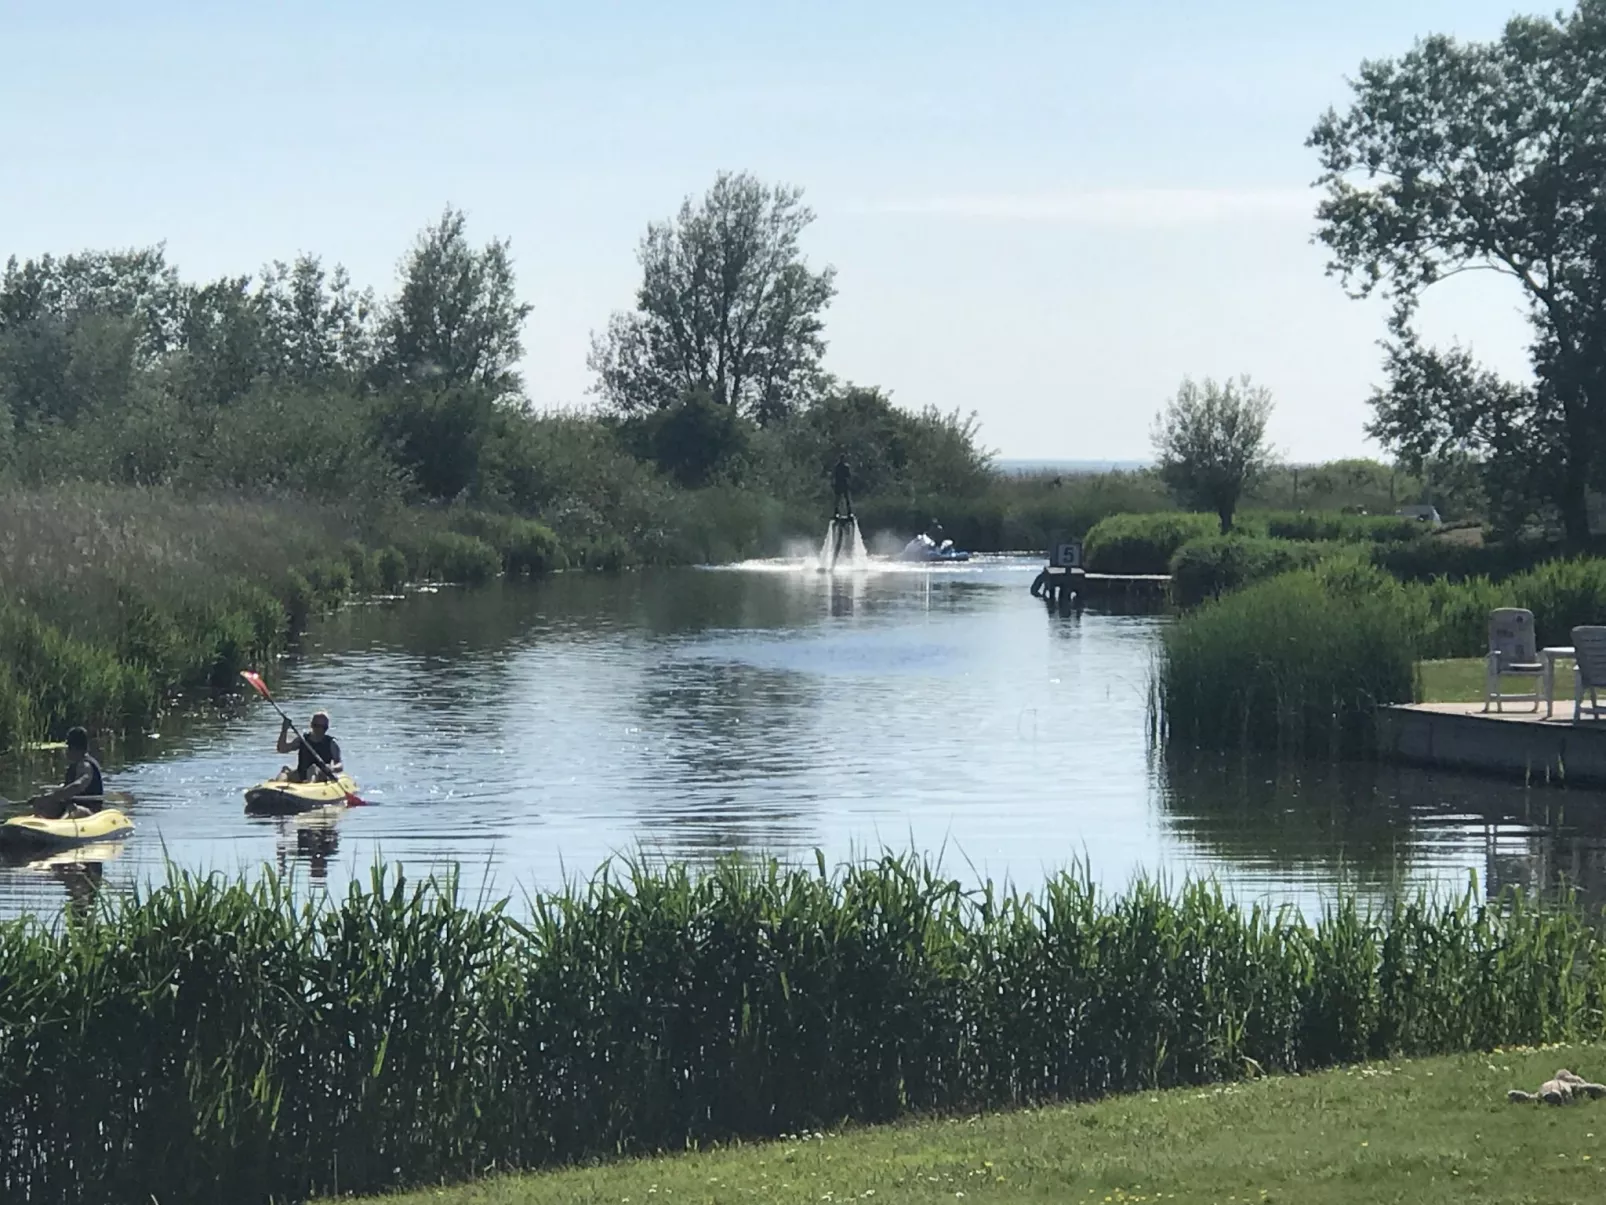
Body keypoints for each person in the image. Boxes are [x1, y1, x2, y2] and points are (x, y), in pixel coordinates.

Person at [29, 727, 106, 820]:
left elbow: (78, 785)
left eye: (68, 748)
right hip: (72, 805)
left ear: (74, 748)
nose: (67, 751)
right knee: (45, 805)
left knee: (74, 809)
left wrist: (54, 796)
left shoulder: (85, 765)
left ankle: (58, 826)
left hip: (89, 812)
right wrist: (45, 797)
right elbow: (67, 789)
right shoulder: (76, 765)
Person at [275, 710, 343, 783]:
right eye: (316, 726)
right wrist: (284, 730)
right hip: (302, 774)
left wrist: (332, 768)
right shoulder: (302, 740)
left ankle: (309, 785)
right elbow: (281, 749)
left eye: (323, 727)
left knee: (313, 768)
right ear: (311, 725)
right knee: (286, 768)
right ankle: (277, 787)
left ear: (327, 727)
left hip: (321, 775)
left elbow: (339, 765)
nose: (320, 730)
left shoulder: (331, 743)